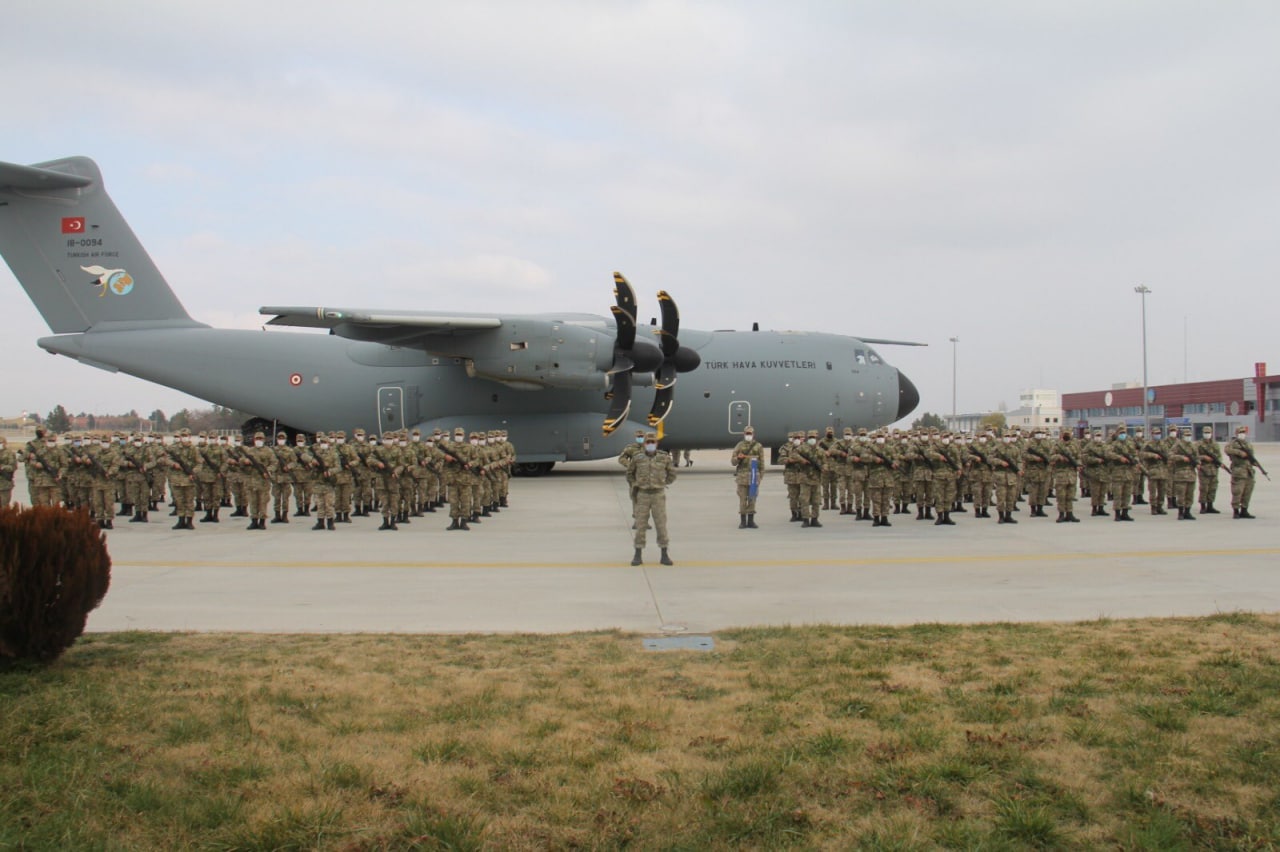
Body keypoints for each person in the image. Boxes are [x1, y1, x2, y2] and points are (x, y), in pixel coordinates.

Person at [627, 432, 676, 565]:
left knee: (661, 525)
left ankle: (664, 554)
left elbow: (672, 474)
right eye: (648, 442)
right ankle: (638, 554)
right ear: (644, 444)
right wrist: (635, 484)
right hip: (642, 495)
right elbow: (629, 473)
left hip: (658, 495)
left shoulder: (664, 457)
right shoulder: (638, 458)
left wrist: (663, 483)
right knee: (640, 525)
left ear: (657, 443)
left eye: (652, 442)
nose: (650, 444)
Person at [730, 427, 765, 528]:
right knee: (742, 499)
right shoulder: (739, 446)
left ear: (753, 434)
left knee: (752, 499)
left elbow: (762, 463)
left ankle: (751, 520)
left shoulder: (758, 446)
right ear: (744, 434)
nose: (748, 435)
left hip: (754, 477)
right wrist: (738, 458)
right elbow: (733, 462)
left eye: (750, 433)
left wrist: (760, 477)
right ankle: (743, 521)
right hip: (742, 477)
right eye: (747, 433)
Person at [1225, 425, 1260, 518]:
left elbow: (1251, 457)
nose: (1242, 434)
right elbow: (1227, 450)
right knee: (1237, 491)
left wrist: (1254, 463)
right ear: (1236, 433)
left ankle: (1244, 510)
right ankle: (1236, 511)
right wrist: (1240, 453)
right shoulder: (1233, 443)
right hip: (1238, 471)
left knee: (1247, 491)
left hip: (1248, 471)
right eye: (1240, 432)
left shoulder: (1248, 445)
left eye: (1244, 432)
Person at [1166, 426, 1199, 520]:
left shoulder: (1193, 446)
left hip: (1191, 474)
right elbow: (1170, 455)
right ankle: (1180, 513)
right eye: (1186, 435)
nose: (1188, 437)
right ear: (1183, 436)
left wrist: (1198, 464)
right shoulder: (1178, 445)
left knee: (1190, 495)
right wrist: (1181, 458)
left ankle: (1187, 512)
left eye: (1189, 435)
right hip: (1180, 473)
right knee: (1181, 495)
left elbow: (1197, 458)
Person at [1050, 429, 1082, 522]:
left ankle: (1070, 514)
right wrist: (1059, 457)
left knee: (1070, 495)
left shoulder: (1075, 445)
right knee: (1061, 495)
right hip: (1061, 473)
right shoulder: (1057, 445)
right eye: (1065, 434)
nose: (1067, 435)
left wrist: (1078, 465)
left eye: (1068, 434)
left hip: (1071, 474)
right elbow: (1050, 456)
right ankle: (1061, 514)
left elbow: (1078, 457)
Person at [1195, 426, 1223, 514]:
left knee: (1213, 488)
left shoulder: (1215, 444)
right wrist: (1203, 457)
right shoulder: (1198, 444)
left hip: (1214, 469)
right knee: (1204, 488)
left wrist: (1218, 462)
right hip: (1204, 469)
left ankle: (1210, 506)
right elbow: (1194, 456)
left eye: (1209, 432)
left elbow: (1219, 456)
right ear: (1203, 433)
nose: (1207, 434)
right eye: (1206, 433)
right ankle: (1203, 506)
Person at [0, 436, 18, 507]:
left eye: (0, 442)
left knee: (4, 506)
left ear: (5, 443)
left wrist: (2, 467)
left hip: (5, 484)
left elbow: (13, 467)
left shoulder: (9, 453)